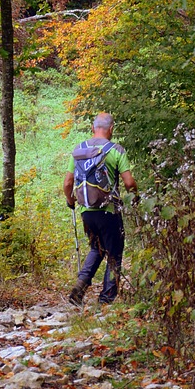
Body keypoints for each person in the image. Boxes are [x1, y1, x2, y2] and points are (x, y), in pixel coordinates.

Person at [63, 112, 138, 307]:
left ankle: (80, 287)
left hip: (86, 210)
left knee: (97, 248)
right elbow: (129, 182)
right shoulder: (116, 150)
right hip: (108, 210)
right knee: (114, 252)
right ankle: (106, 300)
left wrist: (70, 201)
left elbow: (67, 183)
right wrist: (135, 196)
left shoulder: (78, 150)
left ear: (92, 128)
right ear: (111, 129)